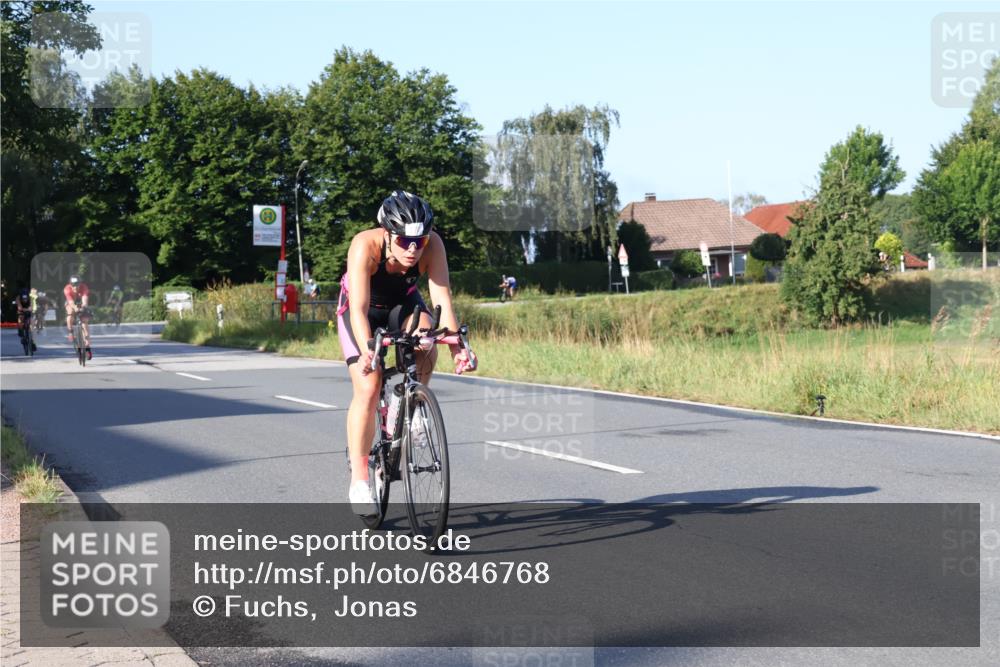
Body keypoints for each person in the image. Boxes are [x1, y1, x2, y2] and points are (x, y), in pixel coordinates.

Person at [337, 190, 477, 515]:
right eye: (403, 242)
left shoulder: (433, 246)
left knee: (428, 337)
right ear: (386, 234)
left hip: (403, 304)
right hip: (361, 310)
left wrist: (458, 346)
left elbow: (442, 300)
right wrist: (369, 351)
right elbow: (357, 309)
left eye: (421, 241)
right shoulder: (364, 245)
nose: (413, 250)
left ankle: (409, 399)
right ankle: (359, 480)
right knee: (368, 385)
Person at [64, 275, 92, 360]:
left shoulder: (84, 287)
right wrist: (75, 308)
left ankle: (87, 345)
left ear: (80, 284)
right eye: (73, 284)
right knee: (70, 313)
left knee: (84, 321)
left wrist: (83, 308)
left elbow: (85, 300)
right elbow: (71, 303)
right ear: (70, 284)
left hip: (80, 302)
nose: (75, 286)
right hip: (71, 302)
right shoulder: (67, 289)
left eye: (77, 284)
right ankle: (70, 332)